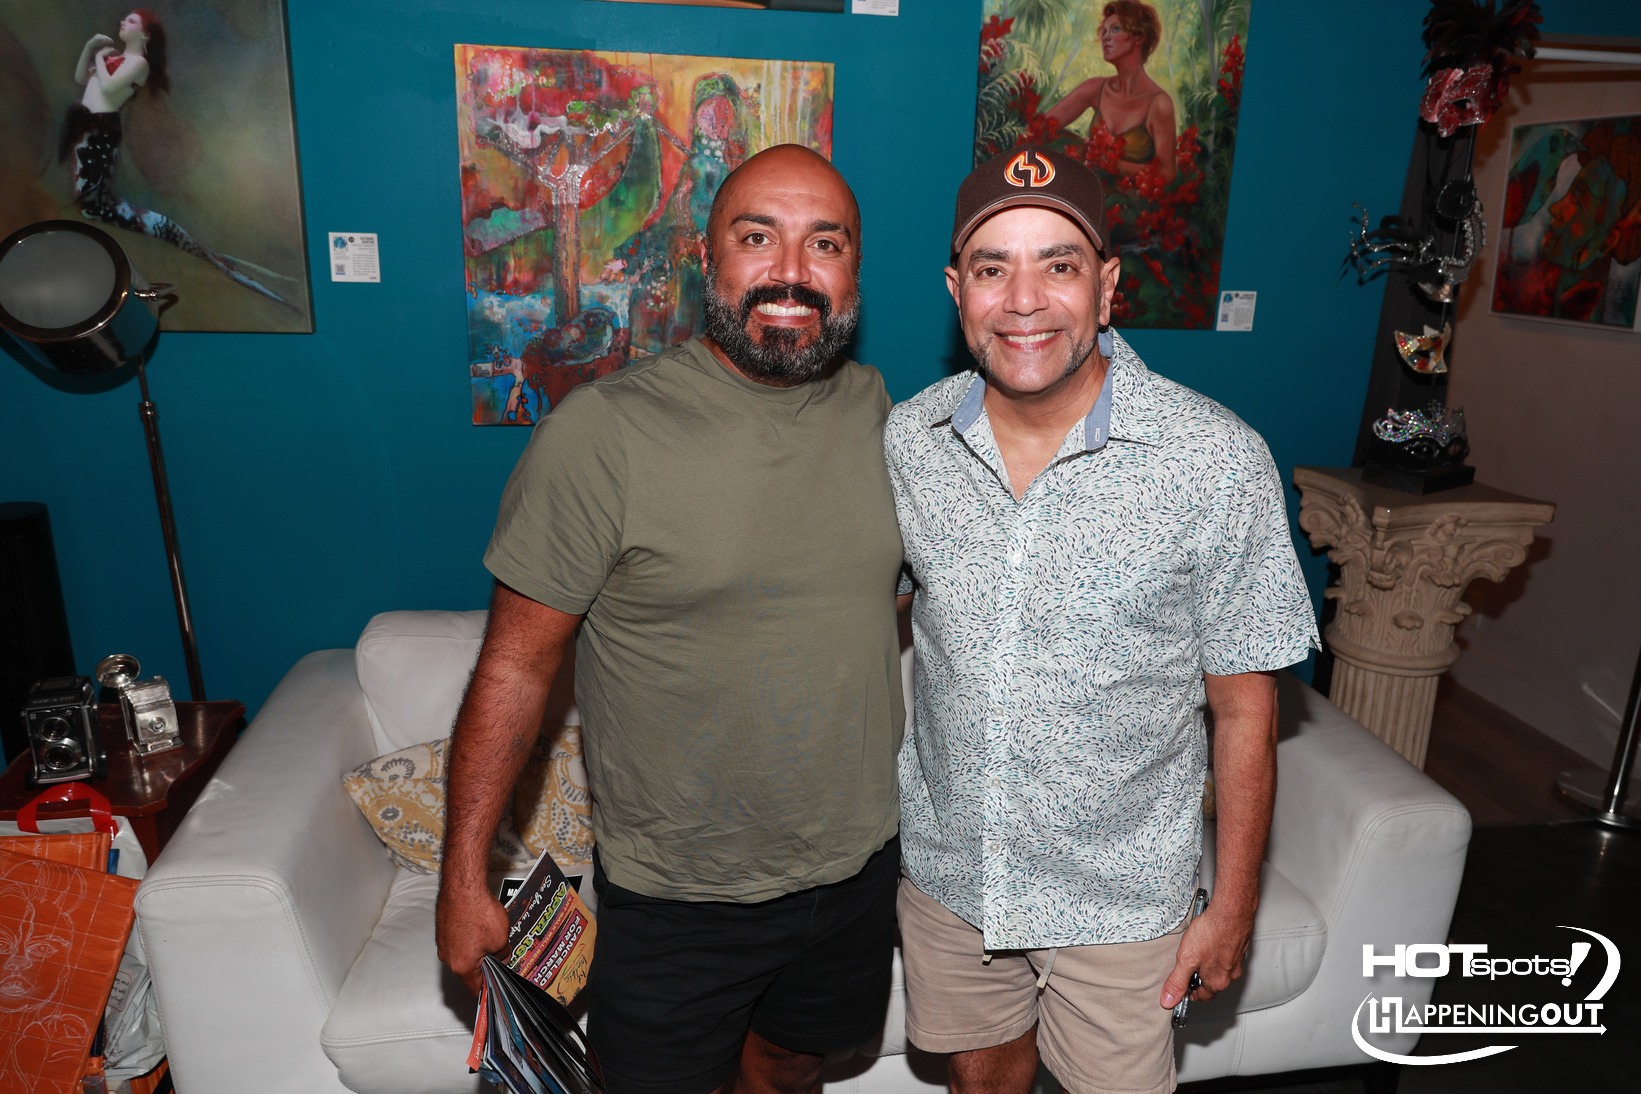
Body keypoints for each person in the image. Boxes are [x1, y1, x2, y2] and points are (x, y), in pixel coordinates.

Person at [436, 143, 905, 1094]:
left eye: (824, 244)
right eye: (756, 238)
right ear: (705, 260)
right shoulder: (603, 433)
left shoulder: (887, 417)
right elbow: (515, 669)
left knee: (791, 1068)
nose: (789, 272)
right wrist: (463, 875)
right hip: (680, 891)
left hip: (857, 868)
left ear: (854, 270)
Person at [885, 146, 1318, 1094]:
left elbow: (1246, 711)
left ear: (1108, 287)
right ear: (956, 291)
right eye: (993, 268)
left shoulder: (1213, 460)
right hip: (954, 880)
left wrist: (1233, 902)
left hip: (1122, 903)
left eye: (1059, 265)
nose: (1024, 299)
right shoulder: (908, 442)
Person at [62, 9, 292, 307]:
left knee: (93, 205)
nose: (123, 23)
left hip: (100, 134)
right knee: (90, 206)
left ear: (144, 34)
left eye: (131, 21)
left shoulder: (138, 63)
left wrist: (98, 58)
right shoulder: (110, 60)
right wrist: (91, 48)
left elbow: (106, 87)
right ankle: (169, 235)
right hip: (85, 134)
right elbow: (82, 78)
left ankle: (170, 233)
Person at [1046, 1, 1178, 185]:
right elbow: (1041, 127)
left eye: (1115, 29)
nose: (1105, 37)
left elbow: (1167, 173)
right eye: (1104, 31)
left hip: (1131, 206)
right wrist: (1079, 151)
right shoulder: (1094, 88)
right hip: (1088, 195)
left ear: (1138, 37)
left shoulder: (1159, 103)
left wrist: (1115, 165)